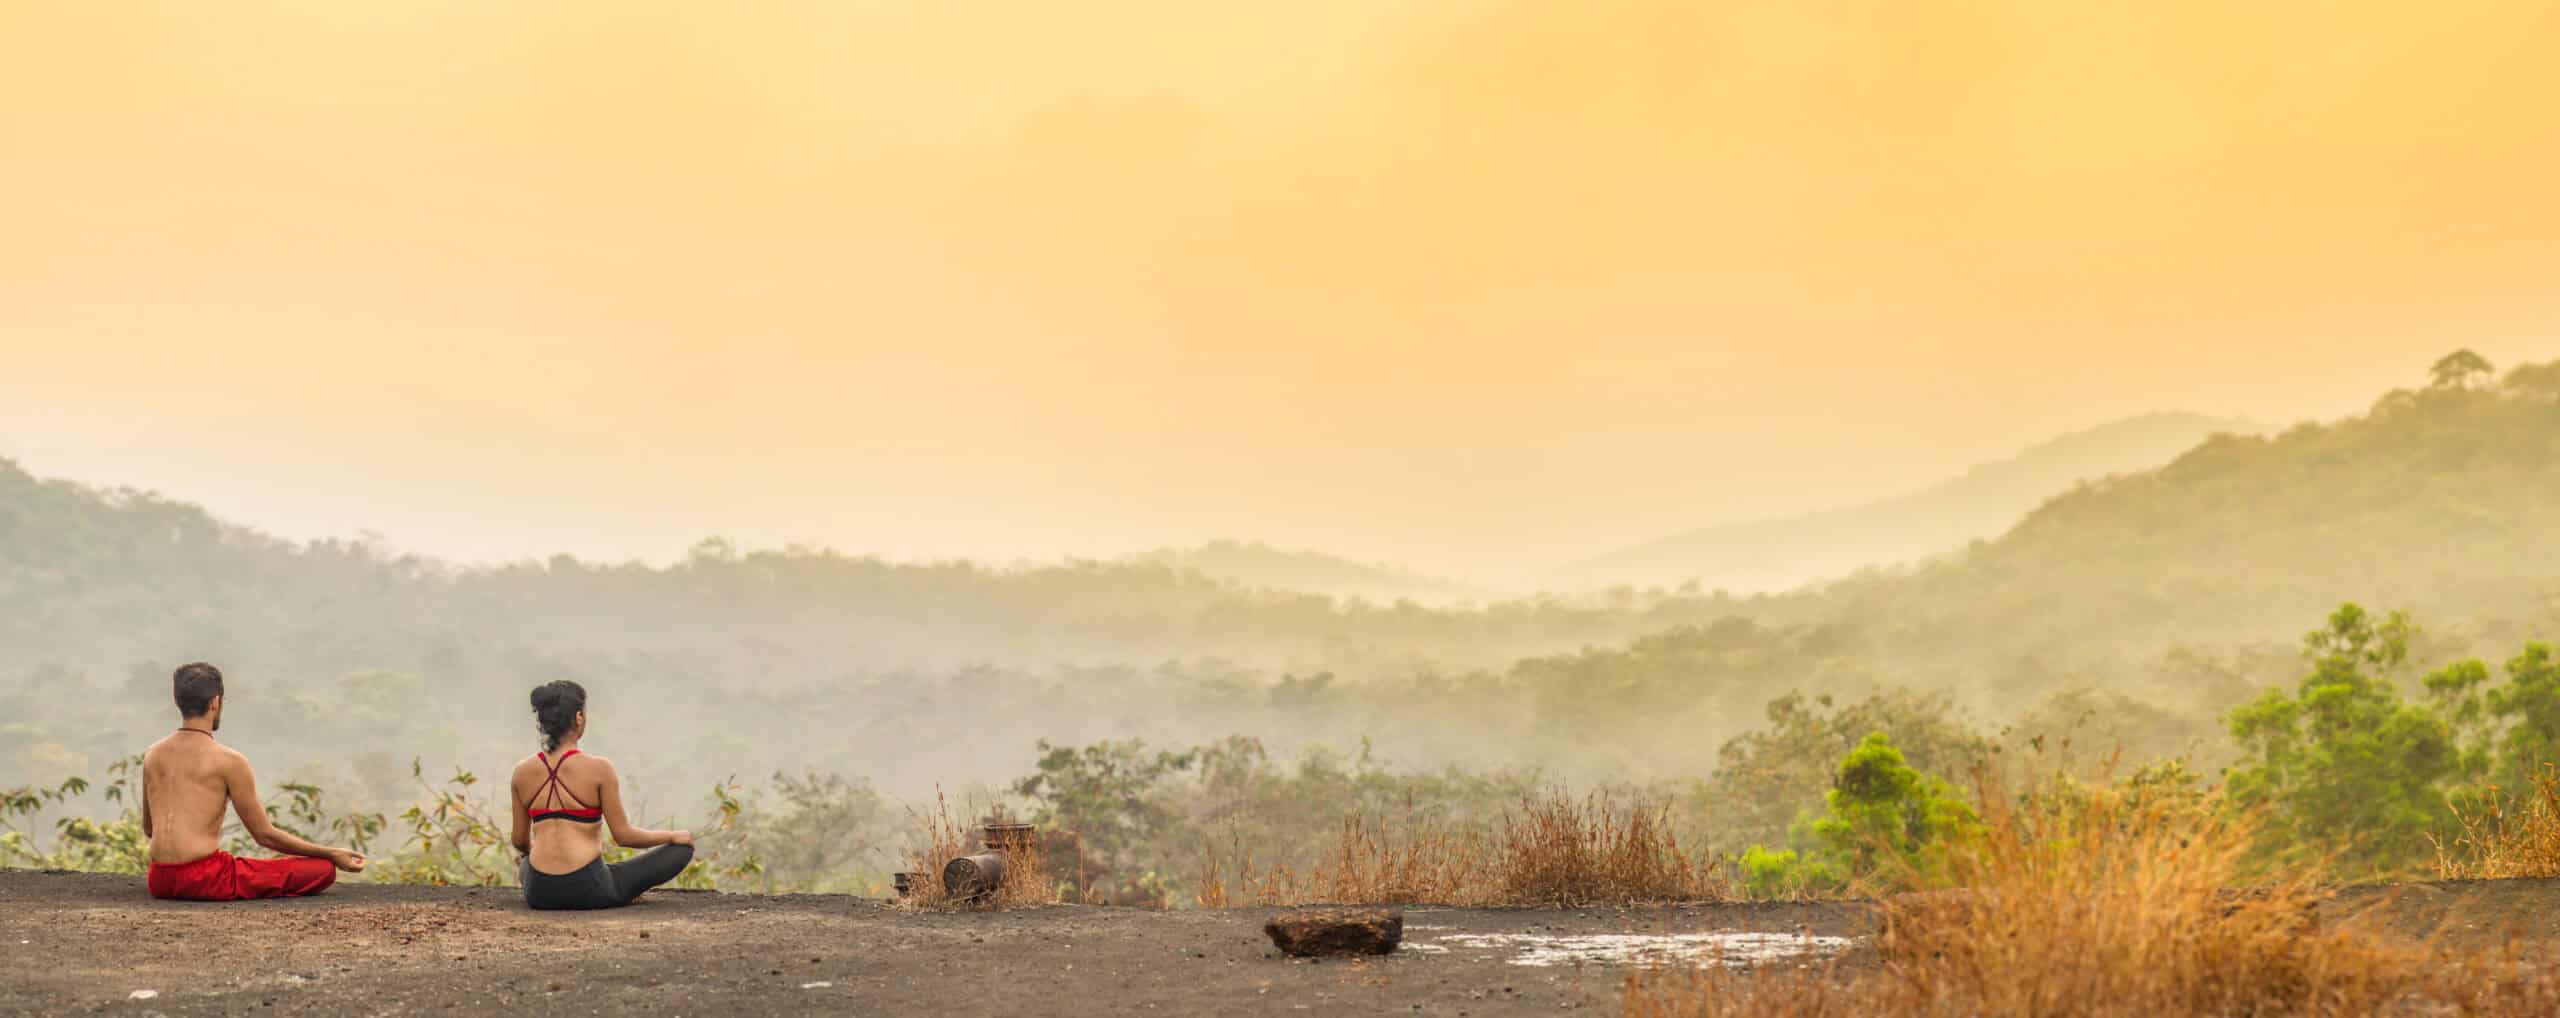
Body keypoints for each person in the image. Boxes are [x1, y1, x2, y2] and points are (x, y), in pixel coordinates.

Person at [141, 663, 367, 900]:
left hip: (159, 880)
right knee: (322, 870)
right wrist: (331, 854)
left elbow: (149, 829)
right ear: (215, 702)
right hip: (206, 879)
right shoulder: (229, 760)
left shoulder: (153, 754)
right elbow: (264, 835)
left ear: (179, 702)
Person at [511, 680, 694, 909]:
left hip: (539, 893)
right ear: (579, 718)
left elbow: (519, 841)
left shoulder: (522, 772)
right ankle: (615, 885)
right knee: (682, 849)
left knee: (527, 862)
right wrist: (673, 835)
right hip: (590, 888)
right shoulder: (599, 768)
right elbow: (624, 836)